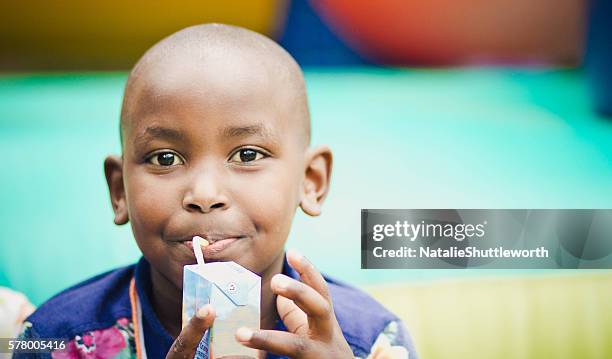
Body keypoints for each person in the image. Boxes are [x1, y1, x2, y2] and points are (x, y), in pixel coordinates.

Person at [15, 24, 417, 359]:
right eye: (165, 159)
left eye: (246, 154)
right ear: (119, 190)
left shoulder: (372, 342)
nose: (204, 194)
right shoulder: (55, 339)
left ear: (310, 181)